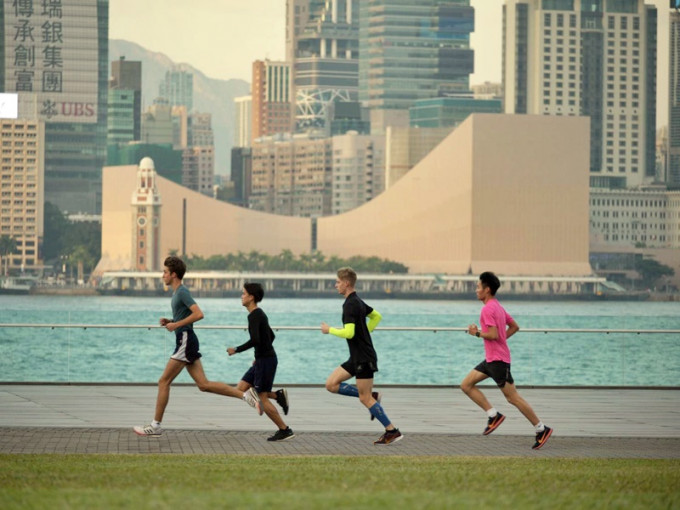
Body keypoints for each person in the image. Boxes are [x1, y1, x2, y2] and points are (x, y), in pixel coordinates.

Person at [133, 256, 263, 437]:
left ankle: (155, 426)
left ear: (174, 274)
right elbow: (186, 317)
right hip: (187, 339)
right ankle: (245, 395)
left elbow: (199, 314)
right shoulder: (178, 293)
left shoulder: (182, 292)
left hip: (185, 340)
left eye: (165, 272)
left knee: (163, 381)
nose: (162, 275)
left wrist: (176, 325)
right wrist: (171, 321)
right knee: (203, 385)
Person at [462, 271, 553, 450]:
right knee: (466, 385)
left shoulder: (487, 309)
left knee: (513, 398)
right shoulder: (497, 306)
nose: (476, 290)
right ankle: (493, 414)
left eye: (479, 287)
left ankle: (541, 428)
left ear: (487, 290)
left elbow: (494, 334)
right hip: (491, 359)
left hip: (497, 361)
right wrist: (500, 341)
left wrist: (477, 333)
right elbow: (514, 327)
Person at [321, 267, 402, 445]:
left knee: (364, 399)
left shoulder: (350, 304)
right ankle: (372, 394)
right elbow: (377, 316)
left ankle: (392, 431)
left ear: (346, 283)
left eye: (338, 282)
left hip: (364, 358)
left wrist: (329, 330)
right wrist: (366, 332)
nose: (336, 285)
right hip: (356, 357)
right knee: (331, 384)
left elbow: (349, 333)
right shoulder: (357, 301)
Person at [227, 283, 294, 442]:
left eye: (244, 294)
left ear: (251, 297)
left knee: (261, 397)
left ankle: (284, 430)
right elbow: (271, 336)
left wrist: (236, 349)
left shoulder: (255, 315)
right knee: (241, 388)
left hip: (266, 361)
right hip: (262, 359)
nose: (241, 296)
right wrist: (259, 355)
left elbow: (257, 339)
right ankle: (278, 396)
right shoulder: (258, 314)